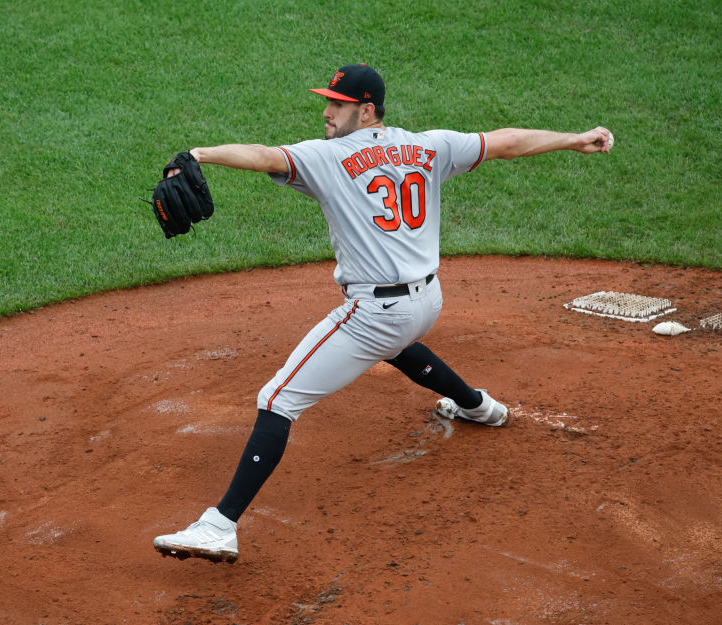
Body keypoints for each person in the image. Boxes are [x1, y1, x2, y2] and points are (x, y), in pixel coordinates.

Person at [153, 63, 613, 563]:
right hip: (428, 303)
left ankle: (219, 527)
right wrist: (574, 139)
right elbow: (505, 140)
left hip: (377, 312)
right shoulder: (430, 146)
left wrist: (198, 154)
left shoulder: (327, 157)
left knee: (277, 398)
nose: (327, 113)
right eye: (327, 102)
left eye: (338, 104)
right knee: (395, 346)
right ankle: (480, 406)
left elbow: (264, 156)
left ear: (366, 109)